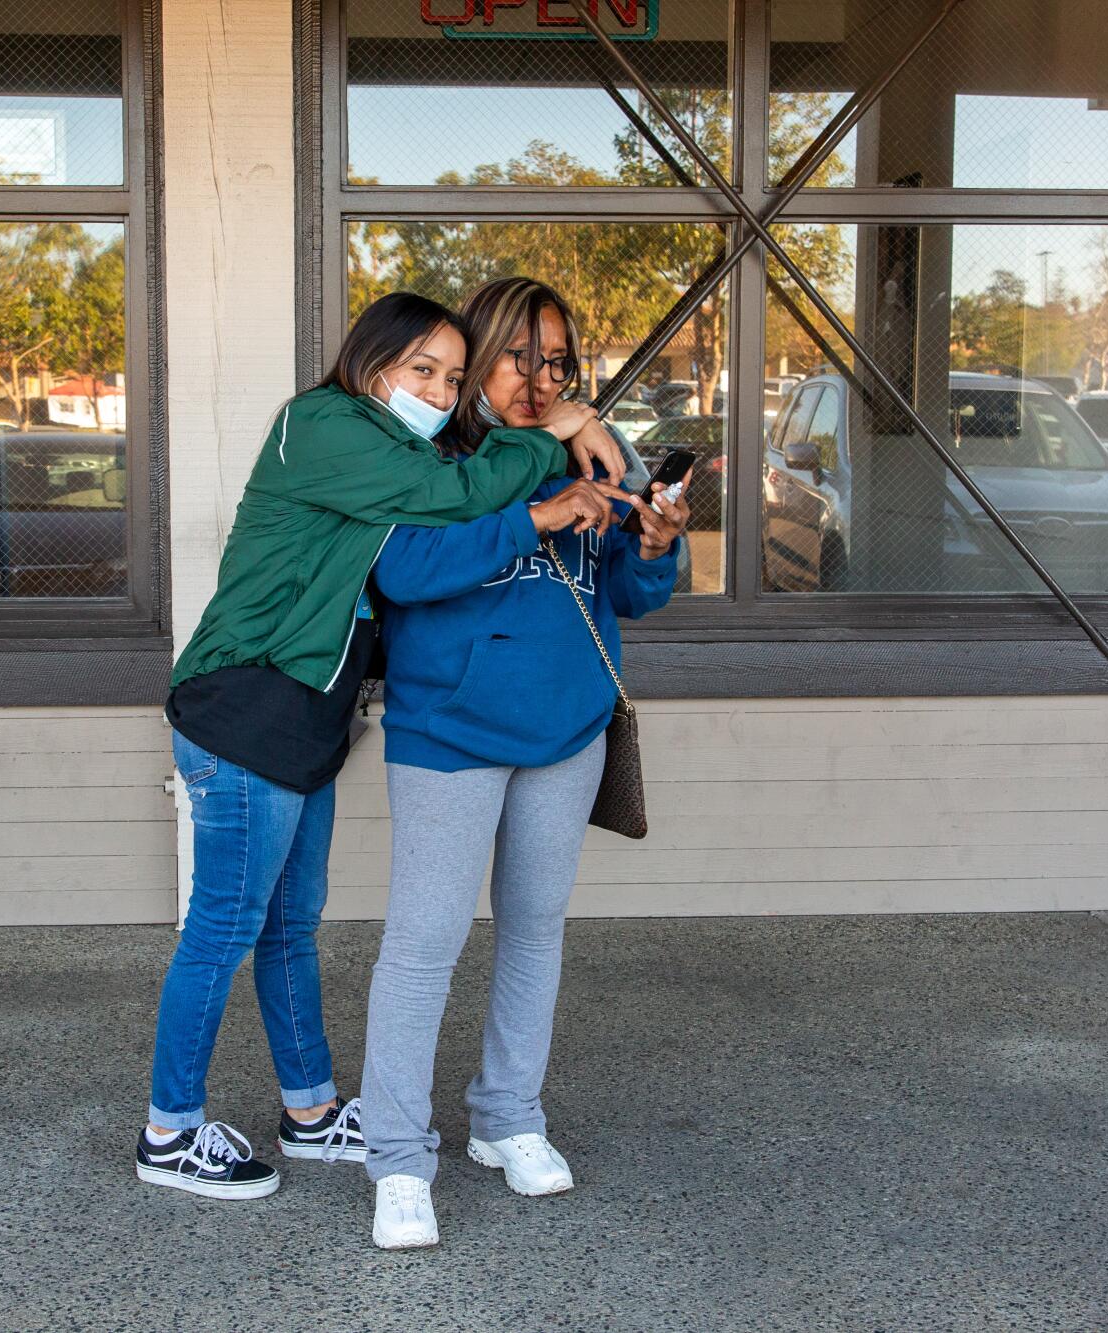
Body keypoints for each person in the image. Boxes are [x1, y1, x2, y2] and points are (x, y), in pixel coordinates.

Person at [136, 291, 632, 1201]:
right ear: (372, 364)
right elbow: (458, 495)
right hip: (248, 701)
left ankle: (314, 1111)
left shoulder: (397, 445)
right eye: (423, 372)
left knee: (289, 926)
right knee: (224, 928)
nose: (440, 393)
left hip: (309, 714)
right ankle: (170, 1130)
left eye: (451, 377)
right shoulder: (326, 425)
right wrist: (558, 429)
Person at [359, 278, 693, 1247]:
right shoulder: (431, 457)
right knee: (423, 945)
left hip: (567, 730)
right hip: (449, 736)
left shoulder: (595, 450)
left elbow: (629, 593)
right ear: (478, 356)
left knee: (534, 929)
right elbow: (404, 572)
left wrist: (658, 542)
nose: (538, 381)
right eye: (519, 358)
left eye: (557, 363)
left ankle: (507, 1118)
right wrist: (540, 507)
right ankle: (396, 1155)